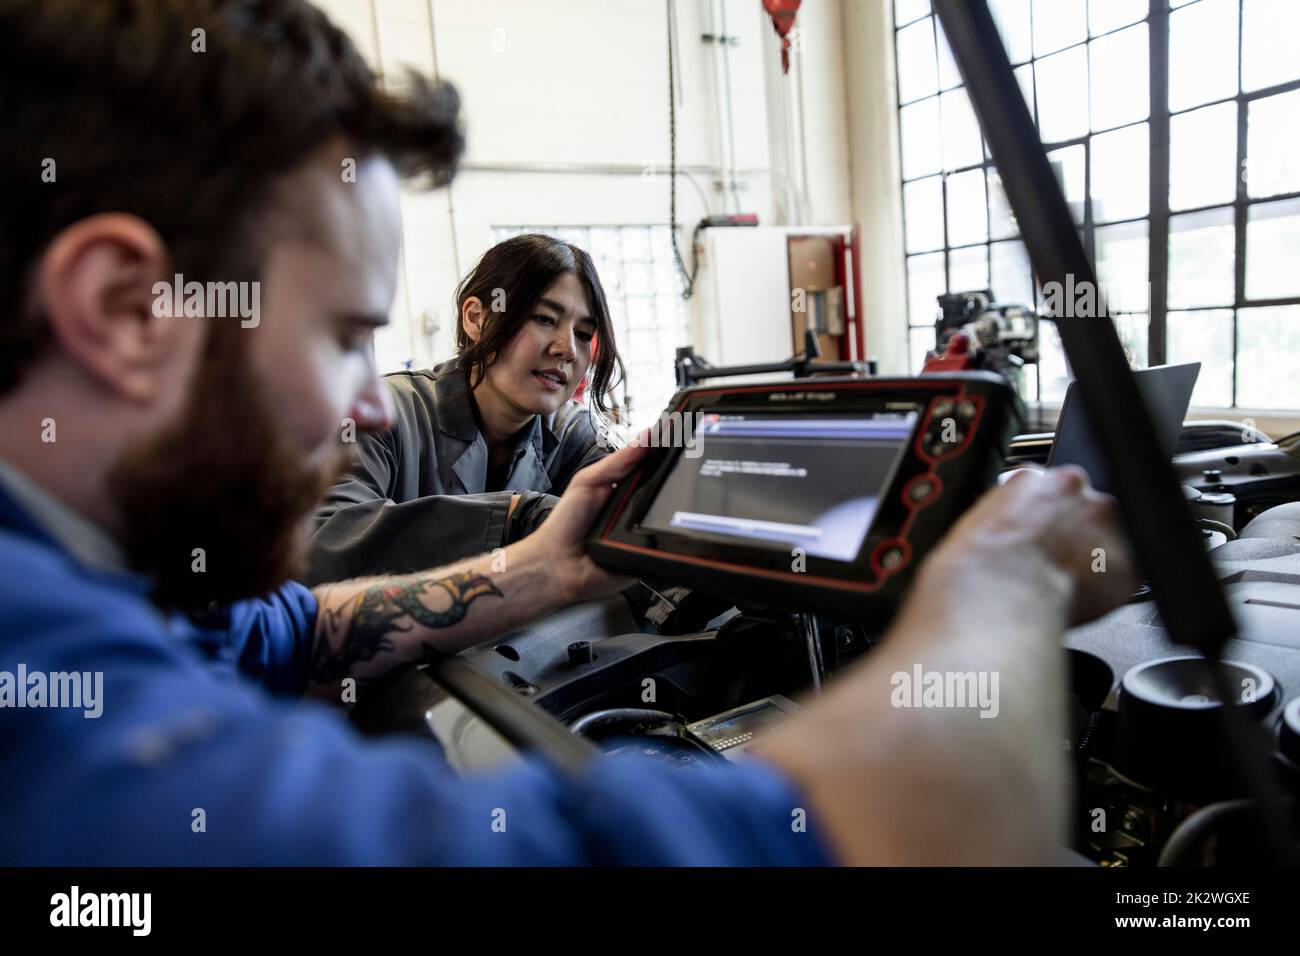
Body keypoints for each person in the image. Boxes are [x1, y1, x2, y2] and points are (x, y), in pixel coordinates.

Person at [0, 0, 1136, 865]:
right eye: (345, 332)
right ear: (122, 308)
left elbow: (285, 628)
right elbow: (876, 834)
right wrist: (1005, 582)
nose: (358, 401)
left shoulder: (107, 582)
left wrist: (545, 568)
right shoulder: (74, 741)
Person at [306, 234, 623, 583]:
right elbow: (324, 539)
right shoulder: (379, 415)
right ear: (475, 318)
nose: (568, 350)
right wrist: (513, 518)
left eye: (582, 333)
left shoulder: (575, 438)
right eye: (545, 319)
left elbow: (631, 529)